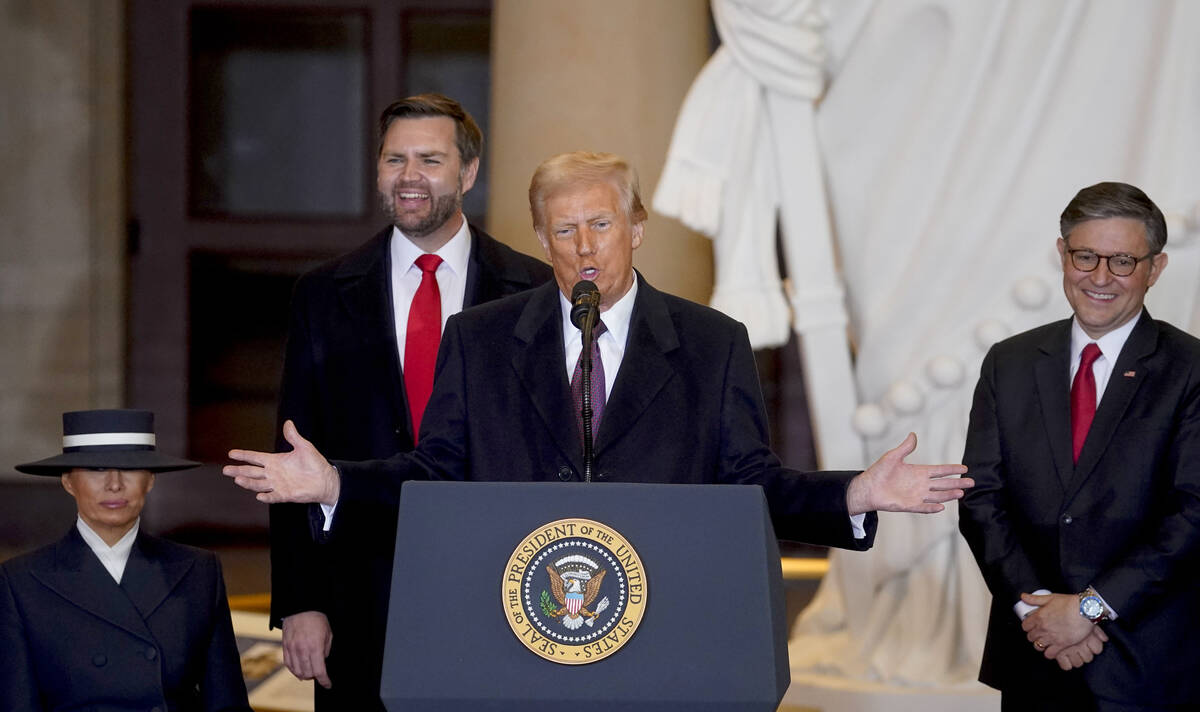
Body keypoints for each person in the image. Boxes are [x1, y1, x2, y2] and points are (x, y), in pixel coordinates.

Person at [229, 150, 970, 542]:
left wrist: (852, 494)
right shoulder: (481, 340)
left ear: (637, 227)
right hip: (515, 616)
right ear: (541, 239)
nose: (584, 247)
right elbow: (437, 471)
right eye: (563, 230)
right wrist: (335, 486)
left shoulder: (712, 344)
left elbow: (751, 483)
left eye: (602, 225)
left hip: (661, 615)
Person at [268, 93, 553, 710]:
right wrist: (301, 599)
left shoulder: (532, 290)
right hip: (358, 591)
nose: (409, 177)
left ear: (468, 173)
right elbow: (293, 452)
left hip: (501, 585)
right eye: (394, 159)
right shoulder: (322, 294)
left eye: (429, 158)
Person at [958, 182, 1200, 710]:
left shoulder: (1190, 370)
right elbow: (981, 500)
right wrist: (1042, 613)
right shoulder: (1009, 362)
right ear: (1062, 254)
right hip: (1035, 657)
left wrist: (1090, 609)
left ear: (1155, 269)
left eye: (1122, 261)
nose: (1099, 277)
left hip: (1148, 666)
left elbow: (1193, 514)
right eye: (1085, 256)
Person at [0, 409, 249, 712]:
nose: (114, 484)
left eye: (130, 469)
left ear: (150, 480)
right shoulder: (20, 582)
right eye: (97, 469)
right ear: (68, 482)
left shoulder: (198, 570)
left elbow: (226, 702)